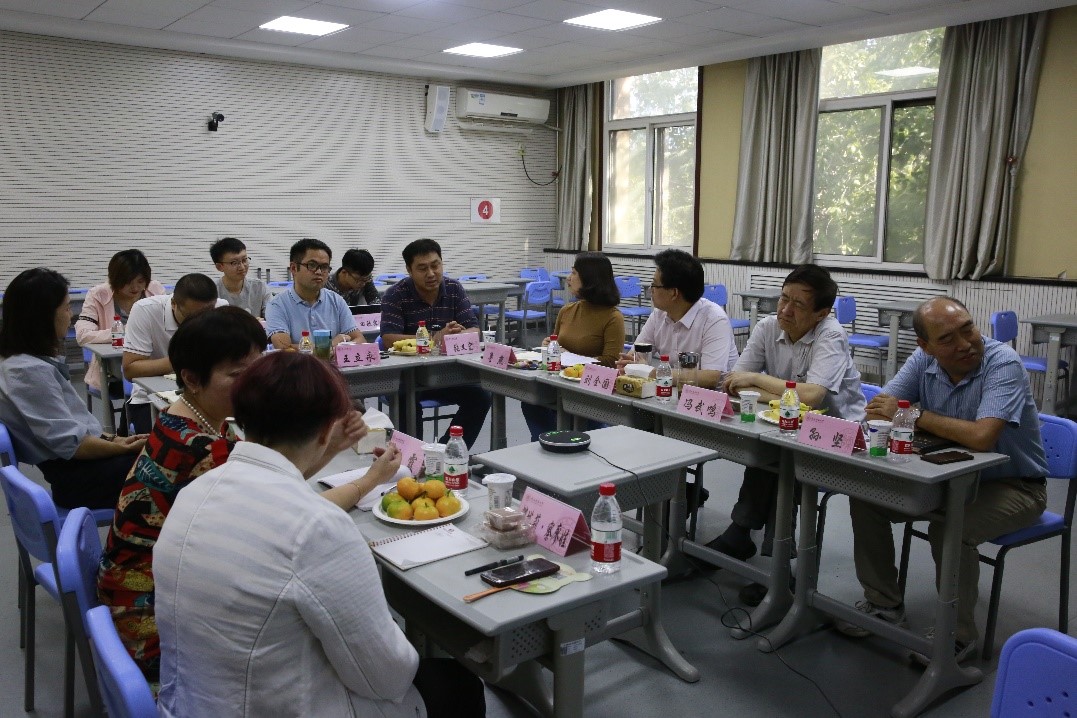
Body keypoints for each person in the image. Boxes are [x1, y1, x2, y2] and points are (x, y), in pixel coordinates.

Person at [153, 352, 486, 718]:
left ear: (241, 418)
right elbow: (386, 679)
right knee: (457, 685)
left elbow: (284, 477)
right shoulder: (317, 527)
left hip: (190, 703)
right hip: (268, 707)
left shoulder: (195, 492)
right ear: (327, 429)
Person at [98, 307, 378, 683]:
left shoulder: (185, 422)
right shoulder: (202, 449)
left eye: (256, 368)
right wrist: (371, 479)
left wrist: (330, 446)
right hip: (151, 621)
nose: (254, 383)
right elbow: (289, 510)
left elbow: (273, 481)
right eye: (237, 374)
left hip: (139, 590)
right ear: (191, 379)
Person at [838, 297, 1048, 663]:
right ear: (926, 346)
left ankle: (958, 635)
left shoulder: (1003, 363)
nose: (965, 344)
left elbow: (982, 437)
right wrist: (901, 414)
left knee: (952, 527)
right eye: (948, 339)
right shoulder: (923, 361)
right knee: (867, 497)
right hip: (945, 479)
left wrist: (914, 415)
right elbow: (881, 409)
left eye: (968, 329)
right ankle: (884, 604)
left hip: (1015, 486)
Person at [708, 264, 865, 563]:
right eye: (783, 298)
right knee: (771, 450)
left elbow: (813, 395)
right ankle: (770, 553)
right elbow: (733, 382)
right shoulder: (768, 326)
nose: (785, 310)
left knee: (782, 457)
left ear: (822, 313)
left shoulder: (831, 334)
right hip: (786, 426)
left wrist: (757, 380)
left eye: (798, 304)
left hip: (838, 435)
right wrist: (781, 395)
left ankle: (756, 542)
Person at [0, 268, 146, 508]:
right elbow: (73, 445)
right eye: (67, 308)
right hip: (79, 479)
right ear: (43, 316)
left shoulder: (22, 361)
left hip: (80, 467)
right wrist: (120, 448)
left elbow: (72, 429)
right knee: (172, 467)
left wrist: (119, 441)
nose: (71, 316)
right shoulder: (27, 371)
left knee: (166, 456)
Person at [381, 238, 491, 448]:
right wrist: (434, 339)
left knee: (481, 397)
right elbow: (388, 339)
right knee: (406, 401)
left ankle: (446, 451)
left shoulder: (454, 288)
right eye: (422, 268)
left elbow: (474, 330)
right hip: (407, 377)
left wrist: (458, 335)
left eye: (435, 265)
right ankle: (414, 457)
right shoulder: (395, 294)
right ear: (409, 270)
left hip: (445, 375)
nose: (431, 274)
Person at [521, 252, 625, 441]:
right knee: (530, 400)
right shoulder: (567, 310)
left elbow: (611, 362)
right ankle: (549, 443)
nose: (569, 278)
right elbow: (557, 345)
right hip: (559, 383)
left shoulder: (613, 317)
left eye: (574, 273)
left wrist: (570, 357)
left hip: (589, 390)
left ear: (590, 279)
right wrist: (548, 345)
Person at [615, 248, 738, 384]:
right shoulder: (658, 315)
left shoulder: (714, 319)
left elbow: (711, 377)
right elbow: (635, 355)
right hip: (673, 389)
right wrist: (629, 363)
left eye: (654, 285)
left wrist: (653, 372)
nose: (650, 290)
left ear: (674, 293)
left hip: (713, 394)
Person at [122, 273, 226, 434]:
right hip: (151, 398)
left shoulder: (220, 308)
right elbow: (130, 370)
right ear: (173, 304)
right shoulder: (145, 310)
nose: (198, 324)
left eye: (205, 316)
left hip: (205, 397)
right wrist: (184, 359)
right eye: (190, 317)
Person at [75, 249, 167, 407]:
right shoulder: (98, 295)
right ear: (115, 279)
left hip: (154, 362)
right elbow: (83, 335)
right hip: (115, 370)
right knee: (140, 391)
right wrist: (122, 332)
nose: (135, 287)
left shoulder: (155, 290)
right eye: (128, 282)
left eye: (141, 281)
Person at [265, 238, 364, 351]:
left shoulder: (336, 300)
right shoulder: (277, 305)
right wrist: (334, 343)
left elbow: (359, 340)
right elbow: (285, 349)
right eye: (312, 265)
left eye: (324, 267)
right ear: (293, 268)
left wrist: (311, 348)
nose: (319, 272)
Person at [210, 236, 269, 317]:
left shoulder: (260, 287)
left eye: (244, 260)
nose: (242, 267)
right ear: (219, 267)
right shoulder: (210, 291)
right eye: (234, 263)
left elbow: (273, 317)